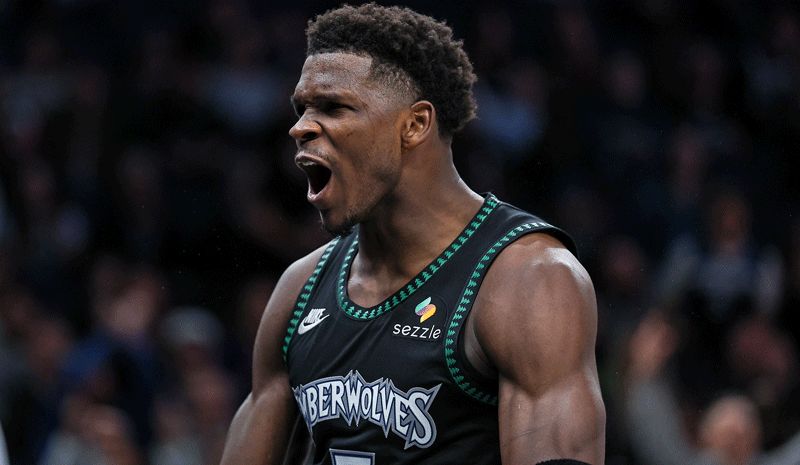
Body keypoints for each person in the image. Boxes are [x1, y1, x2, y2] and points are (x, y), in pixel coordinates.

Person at [219, 3, 605, 465]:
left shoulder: (529, 280)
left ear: (415, 124)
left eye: (333, 107)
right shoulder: (299, 289)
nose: (300, 127)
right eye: (301, 108)